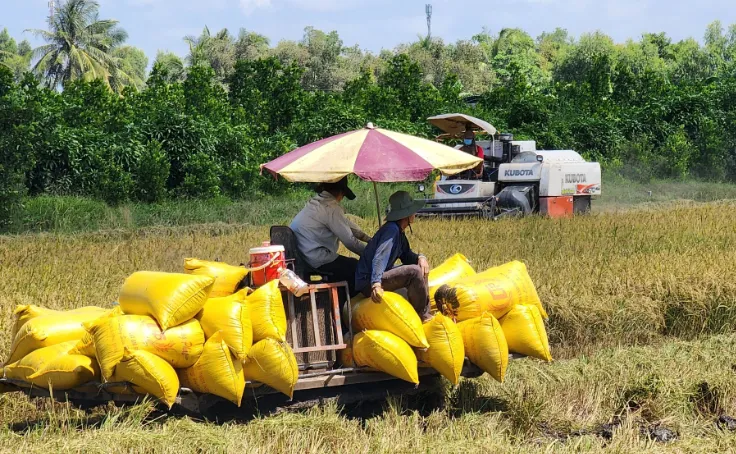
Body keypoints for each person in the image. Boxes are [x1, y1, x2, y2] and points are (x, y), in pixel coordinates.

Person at [354, 191, 432, 322]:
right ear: (406, 215)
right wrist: (376, 284)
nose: (415, 214)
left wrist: (421, 257)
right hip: (368, 281)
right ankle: (421, 315)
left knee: (420, 267)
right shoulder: (391, 230)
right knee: (414, 272)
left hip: (377, 277)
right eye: (413, 211)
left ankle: (425, 310)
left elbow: (407, 256)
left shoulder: (399, 233)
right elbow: (380, 257)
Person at [290, 176, 371, 295]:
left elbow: (346, 224)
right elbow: (350, 242)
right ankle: (348, 304)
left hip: (303, 256)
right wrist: (371, 255)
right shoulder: (331, 207)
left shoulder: (317, 203)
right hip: (315, 259)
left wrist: (368, 239)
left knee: (348, 264)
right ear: (341, 192)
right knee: (356, 267)